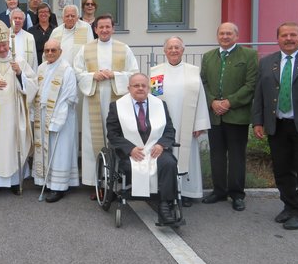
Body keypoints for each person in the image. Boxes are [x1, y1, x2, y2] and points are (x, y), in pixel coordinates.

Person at [253, 22, 298, 230]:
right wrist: (258, 121)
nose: (288, 38)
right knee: (282, 169)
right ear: (277, 39)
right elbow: (259, 94)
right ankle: (289, 205)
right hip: (277, 125)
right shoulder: (268, 62)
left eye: (293, 35)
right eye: (284, 35)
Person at [74, 13, 138, 193]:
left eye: (107, 26)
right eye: (100, 27)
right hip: (93, 99)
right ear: (95, 29)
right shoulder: (85, 49)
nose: (104, 30)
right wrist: (92, 75)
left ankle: (117, 183)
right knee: (92, 140)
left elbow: (133, 72)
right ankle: (96, 184)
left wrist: (114, 75)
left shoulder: (123, 48)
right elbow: (77, 72)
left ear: (113, 28)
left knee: (117, 138)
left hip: (116, 101)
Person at [0, 19, 38, 194]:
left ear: (8, 43)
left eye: (4, 45)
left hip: (13, 112)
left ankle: (15, 182)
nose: (1, 49)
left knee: (13, 145)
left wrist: (20, 74)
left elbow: (33, 84)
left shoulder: (19, 61)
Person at [106, 73, 179, 224]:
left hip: (156, 150)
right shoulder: (117, 106)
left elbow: (170, 131)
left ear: (148, 88)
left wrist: (161, 144)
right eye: (136, 85)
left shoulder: (160, 104)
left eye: (143, 85)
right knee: (132, 166)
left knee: (169, 163)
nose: (140, 88)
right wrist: (130, 148)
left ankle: (165, 206)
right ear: (129, 88)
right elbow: (113, 134)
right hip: (132, 153)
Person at [200, 22, 258, 211]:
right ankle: (219, 191)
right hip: (214, 115)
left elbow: (251, 84)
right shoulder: (208, 57)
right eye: (222, 33)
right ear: (217, 36)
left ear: (237, 36)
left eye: (229, 34)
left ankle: (236, 194)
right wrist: (212, 102)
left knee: (236, 156)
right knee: (216, 155)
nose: (225, 36)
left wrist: (229, 102)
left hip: (237, 115)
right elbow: (203, 82)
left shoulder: (249, 55)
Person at [149, 37, 210, 206]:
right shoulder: (156, 72)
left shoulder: (192, 72)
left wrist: (199, 124)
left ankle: (187, 193)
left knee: (187, 156)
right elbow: (153, 99)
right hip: (164, 124)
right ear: (165, 51)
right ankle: (164, 191)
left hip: (187, 123)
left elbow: (201, 98)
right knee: (164, 157)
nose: (174, 50)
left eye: (177, 47)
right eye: (170, 48)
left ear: (183, 50)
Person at [32, 39, 79, 202]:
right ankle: (45, 180)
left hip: (61, 116)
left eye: (53, 50)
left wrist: (57, 120)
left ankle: (59, 187)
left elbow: (69, 96)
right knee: (46, 149)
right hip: (43, 113)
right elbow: (35, 91)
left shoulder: (67, 70)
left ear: (60, 51)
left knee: (60, 150)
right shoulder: (41, 68)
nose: (50, 53)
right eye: (47, 50)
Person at [9, 8, 38, 73]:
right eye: (15, 18)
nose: (17, 20)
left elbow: (34, 60)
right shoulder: (4, 35)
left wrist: (33, 78)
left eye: (20, 18)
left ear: (23, 21)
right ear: (10, 20)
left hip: (25, 75)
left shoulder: (29, 37)